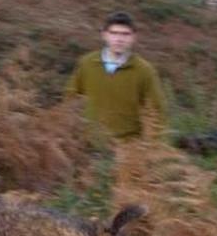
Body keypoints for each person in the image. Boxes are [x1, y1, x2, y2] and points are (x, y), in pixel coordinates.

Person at [65, 12, 167, 140]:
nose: (119, 39)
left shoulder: (144, 70)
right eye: (114, 33)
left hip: (128, 147)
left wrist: (150, 146)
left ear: (134, 37)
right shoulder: (87, 63)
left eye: (125, 34)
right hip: (88, 143)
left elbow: (156, 111)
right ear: (104, 35)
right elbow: (70, 98)